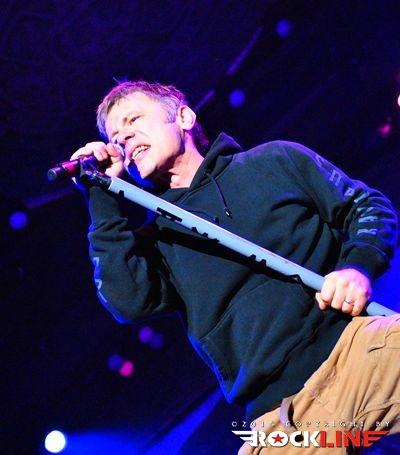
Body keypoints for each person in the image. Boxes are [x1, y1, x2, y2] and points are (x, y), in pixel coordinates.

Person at [71, 80, 399, 453]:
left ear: (184, 117)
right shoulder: (155, 242)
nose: (124, 138)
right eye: (115, 137)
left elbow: (368, 207)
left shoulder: (273, 161)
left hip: (359, 349)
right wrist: (100, 196)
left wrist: (357, 267)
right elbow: (127, 301)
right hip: (281, 417)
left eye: (133, 120)